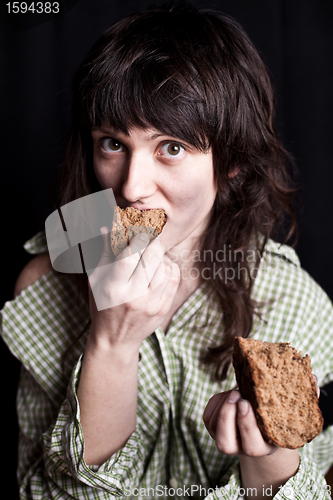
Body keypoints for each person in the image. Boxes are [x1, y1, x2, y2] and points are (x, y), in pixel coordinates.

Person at [2, 2, 333, 499]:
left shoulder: (294, 301)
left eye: (171, 147)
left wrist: (269, 459)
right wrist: (111, 346)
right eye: (112, 143)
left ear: (233, 166)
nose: (132, 187)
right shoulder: (43, 287)